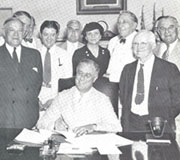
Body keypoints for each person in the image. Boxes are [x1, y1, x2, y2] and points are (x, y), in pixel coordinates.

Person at [37, 59, 121, 136]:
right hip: (67, 147)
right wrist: (54, 124)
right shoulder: (63, 96)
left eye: (87, 75)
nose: (82, 78)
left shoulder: (102, 100)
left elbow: (116, 127)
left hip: (92, 146)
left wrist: (93, 127)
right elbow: (41, 123)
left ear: (94, 79)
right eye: (80, 73)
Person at [119, 30, 180, 133]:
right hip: (131, 125)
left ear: (153, 45)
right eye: (135, 44)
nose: (138, 48)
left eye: (143, 43)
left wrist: (163, 118)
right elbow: (124, 97)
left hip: (159, 125)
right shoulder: (127, 69)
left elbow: (177, 99)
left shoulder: (169, 69)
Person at [0, 17, 42, 128]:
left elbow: (37, 85)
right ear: (4, 32)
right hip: (3, 118)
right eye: (12, 30)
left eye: (19, 31)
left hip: (28, 117)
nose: (16, 34)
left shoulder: (34, 55)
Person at [38, 20, 72, 111]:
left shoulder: (65, 55)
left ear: (57, 35)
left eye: (52, 35)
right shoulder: (34, 54)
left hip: (57, 99)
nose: (49, 38)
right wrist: (35, 100)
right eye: (46, 34)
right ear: (40, 35)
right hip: (36, 100)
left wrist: (55, 100)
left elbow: (67, 83)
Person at [106, 10, 138, 83]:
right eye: (119, 22)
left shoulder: (140, 41)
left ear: (134, 25)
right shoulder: (113, 41)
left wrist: (111, 77)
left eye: (124, 22)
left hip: (130, 83)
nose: (120, 26)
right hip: (110, 84)